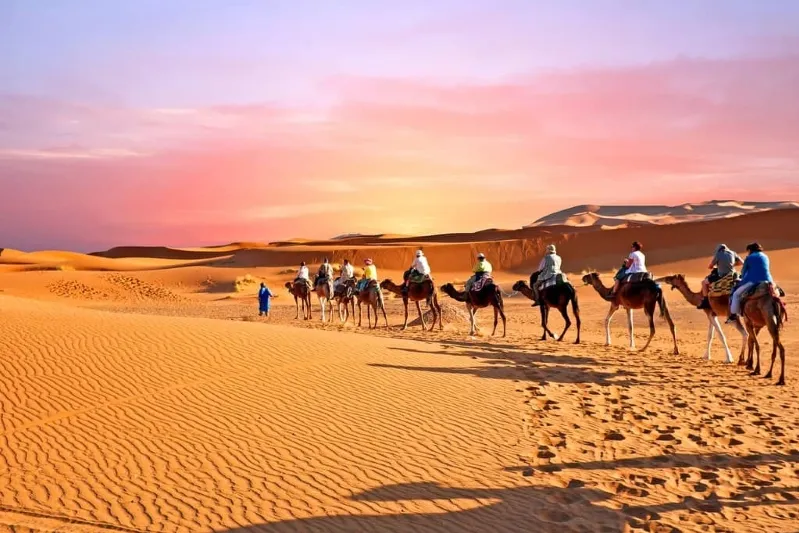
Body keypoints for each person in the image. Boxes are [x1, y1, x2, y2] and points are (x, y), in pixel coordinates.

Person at [727, 242, 773, 323]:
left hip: (753, 281)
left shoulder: (749, 258)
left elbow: (744, 272)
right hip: (768, 280)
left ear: (750, 250)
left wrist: (741, 278)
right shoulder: (766, 256)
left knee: (736, 294)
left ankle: (733, 316)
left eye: (748, 251)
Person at [697, 244, 744, 309]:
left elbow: (710, 266)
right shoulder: (733, 253)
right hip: (733, 275)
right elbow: (742, 262)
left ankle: (706, 301)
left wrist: (716, 266)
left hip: (721, 275)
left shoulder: (718, 254)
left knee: (704, 283)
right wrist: (732, 264)